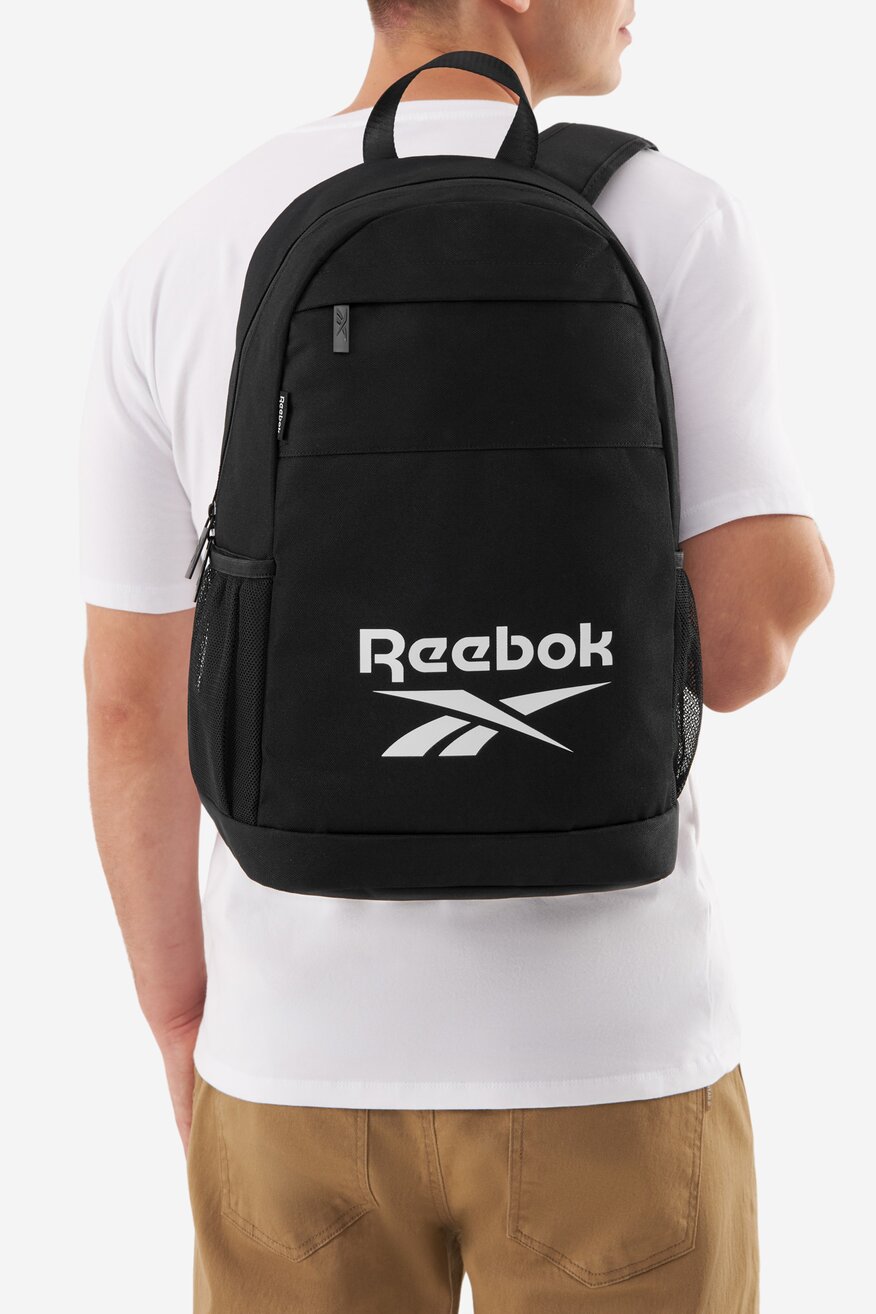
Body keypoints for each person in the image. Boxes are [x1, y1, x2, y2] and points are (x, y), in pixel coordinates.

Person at [80, 1, 833, 1310]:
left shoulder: (187, 244)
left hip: (293, 1062)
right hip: (613, 1055)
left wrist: (189, 1023)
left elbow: (131, 713)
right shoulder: (671, 219)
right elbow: (745, 648)